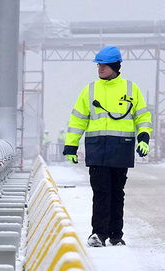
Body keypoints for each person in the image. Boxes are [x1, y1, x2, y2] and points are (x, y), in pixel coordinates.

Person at [63, 45, 153, 247]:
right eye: (98, 66)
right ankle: (99, 234)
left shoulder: (131, 89)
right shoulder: (90, 90)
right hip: (98, 149)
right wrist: (70, 146)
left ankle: (116, 235)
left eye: (103, 65)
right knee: (101, 191)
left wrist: (144, 138)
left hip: (122, 148)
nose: (100, 69)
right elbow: (78, 120)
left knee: (117, 192)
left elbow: (143, 116)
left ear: (115, 66)